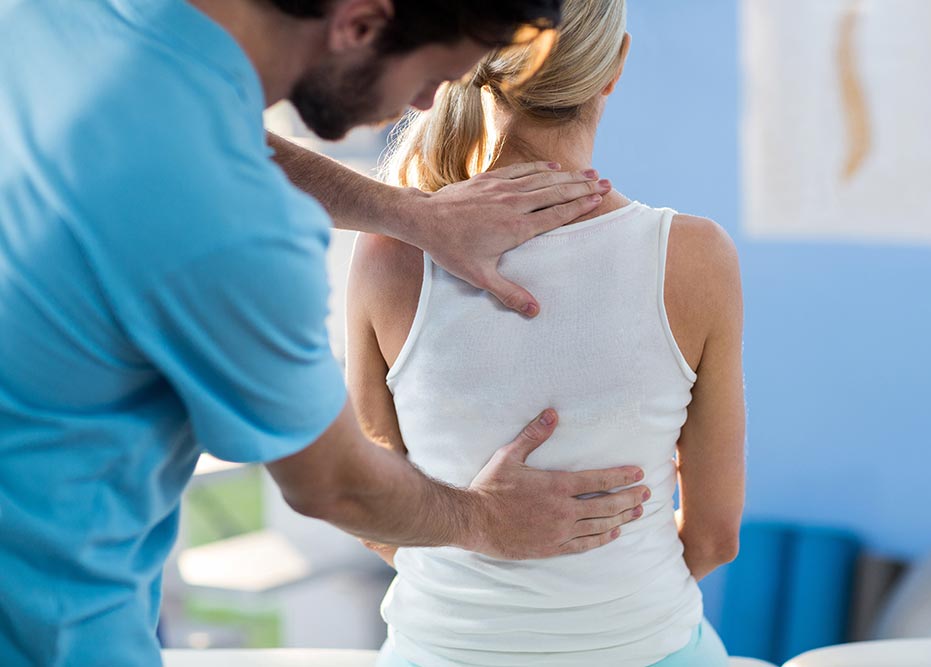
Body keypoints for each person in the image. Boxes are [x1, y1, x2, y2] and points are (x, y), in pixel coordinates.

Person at [0, 1, 654, 665]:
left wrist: (408, 214)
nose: (431, 104)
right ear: (361, 23)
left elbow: (176, 129)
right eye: (436, 75)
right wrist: (486, 517)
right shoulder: (237, 227)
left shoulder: (63, 16)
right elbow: (334, 484)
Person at [345, 1, 747, 665]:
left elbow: (366, 507)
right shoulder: (696, 258)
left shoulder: (388, 256)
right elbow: (714, 537)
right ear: (614, 66)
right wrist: (598, 605)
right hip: (647, 646)